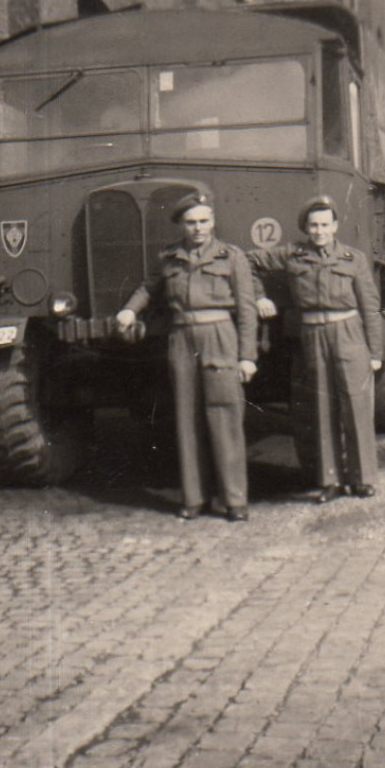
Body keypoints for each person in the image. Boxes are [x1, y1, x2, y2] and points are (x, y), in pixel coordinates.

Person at [116, 192, 258, 521]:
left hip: (220, 335)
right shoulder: (169, 258)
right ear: (182, 225)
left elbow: (247, 309)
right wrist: (128, 310)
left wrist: (247, 355)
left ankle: (235, 500)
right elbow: (148, 287)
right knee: (187, 418)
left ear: (213, 222)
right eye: (191, 222)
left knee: (225, 417)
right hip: (181, 338)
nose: (198, 228)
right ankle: (194, 498)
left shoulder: (231, 256)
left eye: (204, 221)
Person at [249, 195, 383, 502]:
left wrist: (375, 352)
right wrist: (259, 297)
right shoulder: (293, 255)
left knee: (355, 406)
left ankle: (363, 479)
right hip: (312, 335)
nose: (319, 231)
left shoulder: (353, 259)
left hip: (348, 333)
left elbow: (370, 307)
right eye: (313, 225)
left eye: (324, 224)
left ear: (335, 226)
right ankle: (330, 481)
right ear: (305, 228)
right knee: (321, 409)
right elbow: (247, 261)